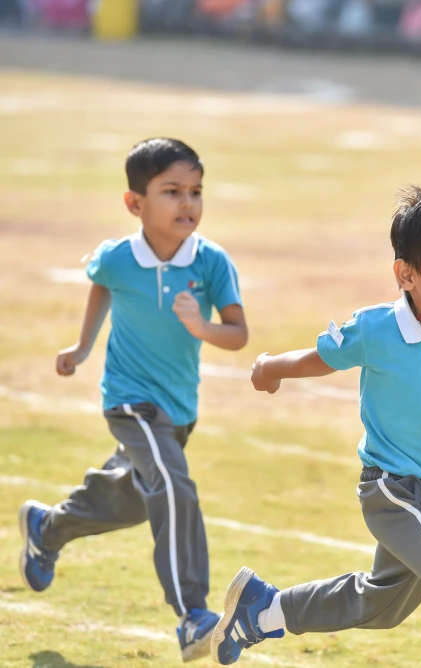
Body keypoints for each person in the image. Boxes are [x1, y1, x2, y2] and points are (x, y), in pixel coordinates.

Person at [211, 187, 421, 668]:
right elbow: (321, 360)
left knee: (382, 603)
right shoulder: (377, 329)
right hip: (393, 490)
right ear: (406, 275)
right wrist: (271, 367)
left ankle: (260, 612)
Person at [18, 138, 248, 662]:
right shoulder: (118, 258)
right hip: (128, 402)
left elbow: (237, 333)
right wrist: (81, 349)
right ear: (135, 203)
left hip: (177, 411)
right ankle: (193, 613)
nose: (187, 203)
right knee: (171, 482)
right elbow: (102, 284)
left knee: (131, 501)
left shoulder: (212, 262)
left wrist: (201, 326)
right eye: (171, 191)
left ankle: (46, 528)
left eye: (195, 191)